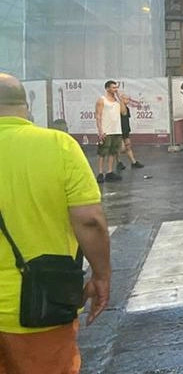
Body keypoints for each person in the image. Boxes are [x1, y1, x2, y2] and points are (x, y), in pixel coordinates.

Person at [0, 73, 111, 374]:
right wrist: (102, 276)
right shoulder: (57, 145)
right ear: (25, 106)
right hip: (37, 307)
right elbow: (90, 221)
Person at [94, 80, 126, 184]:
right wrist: (100, 131)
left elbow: (124, 112)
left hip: (116, 130)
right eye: (113, 88)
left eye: (116, 88)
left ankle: (110, 171)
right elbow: (98, 116)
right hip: (106, 130)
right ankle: (100, 173)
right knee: (103, 152)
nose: (115, 89)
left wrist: (120, 97)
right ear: (107, 88)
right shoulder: (102, 100)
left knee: (113, 152)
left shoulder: (117, 101)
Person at [114, 96, 145, 172]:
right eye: (126, 99)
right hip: (118, 131)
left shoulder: (127, 108)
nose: (128, 100)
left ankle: (133, 162)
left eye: (128, 99)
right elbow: (122, 113)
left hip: (125, 130)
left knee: (128, 146)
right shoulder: (118, 108)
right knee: (122, 148)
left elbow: (126, 119)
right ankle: (118, 162)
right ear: (121, 99)